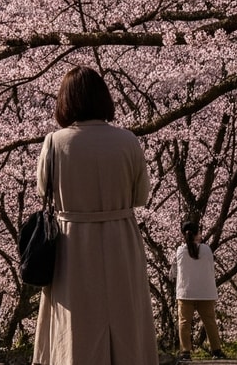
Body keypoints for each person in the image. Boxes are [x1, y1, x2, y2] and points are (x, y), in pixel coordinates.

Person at [32, 67, 154, 365]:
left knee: (75, 328)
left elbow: (41, 191)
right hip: (120, 240)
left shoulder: (55, 143)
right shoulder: (128, 141)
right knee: (126, 321)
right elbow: (141, 197)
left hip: (72, 245)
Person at [176, 221, 224, 360]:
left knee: (184, 323)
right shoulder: (206, 249)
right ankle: (216, 351)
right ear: (197, 233)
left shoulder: (180, 250)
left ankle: (185, 352)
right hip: (205, 292)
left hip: (186, 292)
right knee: (210, 321)